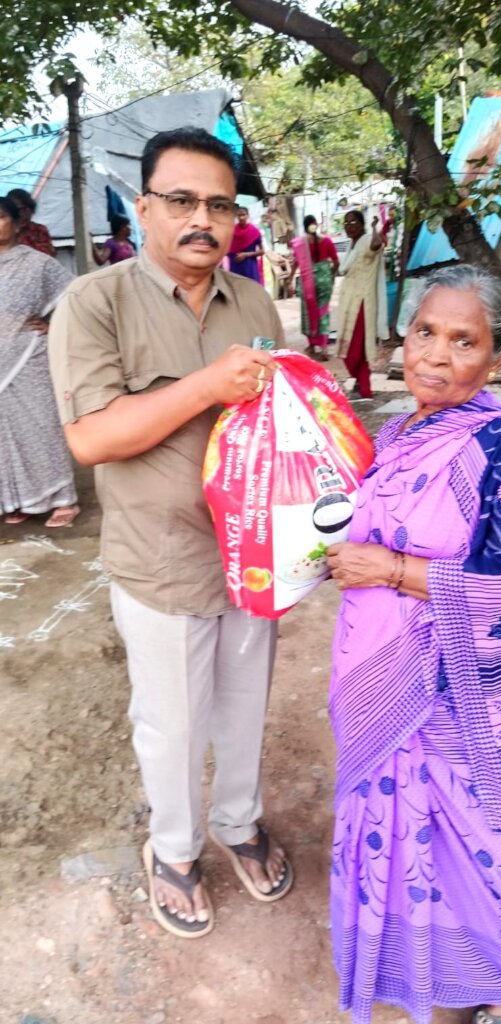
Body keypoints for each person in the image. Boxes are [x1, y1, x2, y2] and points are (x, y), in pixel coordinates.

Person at [48, 127, 293, 940]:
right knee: (174, 722)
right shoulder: (95, 302)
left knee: (243, 706)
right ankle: (176, 849)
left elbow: (280, 420)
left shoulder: (252, 303)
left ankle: (238, 822)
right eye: (182, 200)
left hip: (253, 556)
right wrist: (208, 384)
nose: (202, 219)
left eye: (220, 205)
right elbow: (92, 438)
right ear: (144, 207)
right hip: (161, 560)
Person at [326, 264, 501, 1024]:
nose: (435, 355)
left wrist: (392, 570)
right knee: (417, 846)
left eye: (463, 341)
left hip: (467, 702)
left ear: (499, 359)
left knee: (486, 848)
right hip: (383, 680)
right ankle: (444, 978)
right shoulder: (398, 432)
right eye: (424, 332)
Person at [0, 196, 80, 528]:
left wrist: (52, 326)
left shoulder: (37, 264)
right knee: (5, 434)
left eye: (0, 217)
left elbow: (76, 297)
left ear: (17, 222)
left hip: (29, 358)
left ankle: (63, 499)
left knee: (41, 426)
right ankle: (17, 500)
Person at [337, 210, 388, 400]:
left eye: (353, 223)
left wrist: (374, 228)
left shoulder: (366, 240)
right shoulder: (352, 245)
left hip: (362, 303)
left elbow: (376, 244)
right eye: (346, 223)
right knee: (351, 349)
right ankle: (361, 386)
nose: (349, 227)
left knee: (355, 350)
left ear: (362, 224)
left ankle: (362, 386)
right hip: (350, 302)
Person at [291, 214, 339, 362]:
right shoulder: (327, 241)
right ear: (316, 225)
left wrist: (290, 278)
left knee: (308, 313)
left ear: (305, 227)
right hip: (324, 279)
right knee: (323, 313)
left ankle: (311, 346)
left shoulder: (300, 244)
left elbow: (295, 262)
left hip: (307, 281)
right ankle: (324, 348)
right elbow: (336, 262)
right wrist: (329, 276)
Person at [7, 188, 56, 257]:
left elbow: (49, 254)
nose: (22, 214)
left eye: (25, 209)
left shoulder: (39, 230)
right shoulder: (5, 231)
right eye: (18, 210)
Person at [228, 205, 264, 283]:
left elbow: (262, 251)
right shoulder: (232, 231)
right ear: (236, 216)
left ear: (248, 216)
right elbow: (227, 248)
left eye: (243, 215)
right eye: (239, 215)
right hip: (235, 267)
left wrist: (246, 255)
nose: (241, 217)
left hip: (250, 267)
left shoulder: (254, 231)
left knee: (251, 287)